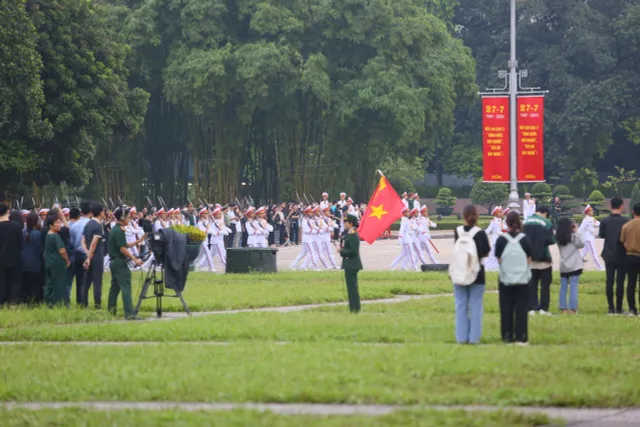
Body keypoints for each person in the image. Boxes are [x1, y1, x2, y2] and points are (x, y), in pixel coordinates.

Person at [451, 205, 491, 344]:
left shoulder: (458, 231)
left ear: (463, 216)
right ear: (476, 216)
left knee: (460, 305)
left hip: (459, 272)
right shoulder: (480, 233)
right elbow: (486, 251)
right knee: (475, 306)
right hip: (477, 273)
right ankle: (474, 338)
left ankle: (461, 337)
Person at [494, 211, 532, 345]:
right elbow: (529, 259)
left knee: (506, 307)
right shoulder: (525, 239)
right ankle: (521, 336)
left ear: (507, 223)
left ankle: (507, 335)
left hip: (505, 278)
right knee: (521, 308)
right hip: (522, 278)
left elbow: (499, 260)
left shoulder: (501, 240)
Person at [107, 206, 144, 319]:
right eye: (128, 217)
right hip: (119, 262)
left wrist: (138, 241)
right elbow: (123, 249)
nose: (129, 219)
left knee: (115, 288)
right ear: (122, 217)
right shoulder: (119, 230)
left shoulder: (116, 229)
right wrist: (135, 260)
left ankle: (111, 311)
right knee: (126, 287)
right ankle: (129, 313)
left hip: (114, 262)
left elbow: (124, 244)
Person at [523, 205, 555, 316]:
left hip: (529, 259)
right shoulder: (546, 223)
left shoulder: (525, 222)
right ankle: (543, 309)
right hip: (543, 258)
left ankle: (531, 308)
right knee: (545, 285)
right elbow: (551, 240)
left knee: (531, 284)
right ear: (545, 213)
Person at [599, 197, 629, 314]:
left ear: (610, 206)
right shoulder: (626, 221)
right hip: (622, 254)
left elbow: (601, 235)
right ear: (621, 206)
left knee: (609, 281)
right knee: (620, 282)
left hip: (608, 253)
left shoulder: (604, 221)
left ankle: (610, 308)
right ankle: (619, 307)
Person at [556, 217, 584, 314]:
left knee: (563, 287)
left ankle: (563, 308)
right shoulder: (573, 237)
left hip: (564, 265)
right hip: (575, 265)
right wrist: (576, 231)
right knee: (573, 286)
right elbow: (581, 244)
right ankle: (573, 308)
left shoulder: (558, 238)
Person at [81, 204, 105, 309]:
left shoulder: (88, 224)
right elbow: (94, 244)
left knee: (86, 283)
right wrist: (89, 257)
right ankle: (97, 306)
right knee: (97, 282)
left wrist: (87, 253)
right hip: (96, 257)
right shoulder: (97, 226)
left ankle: (83, 304)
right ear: (100, 212)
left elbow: (83, 241)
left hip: (89, 256)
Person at [43, 215, 71, 307]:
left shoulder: (48, 234)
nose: (60, 225)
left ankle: (49, 302)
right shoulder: (55, 236)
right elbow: (62, 251)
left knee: (50, 283)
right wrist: (67, 260)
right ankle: (60, 302)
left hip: (49, 262)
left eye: (60, 222)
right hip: (57, 263)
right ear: (51, 225)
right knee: (59, 283)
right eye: (57, 223)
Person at [0, 203, 24, 305]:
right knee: (15, 282)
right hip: (14, 258)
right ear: (8, 211)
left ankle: (2, 302)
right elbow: (21, 243)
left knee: (2, 282)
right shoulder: (16, 226)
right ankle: (13, 301)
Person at [340, 214, 362, 313]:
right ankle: (353, 308)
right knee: (350, 288)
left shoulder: (353, 234)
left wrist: (341, 251)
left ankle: (355, 308)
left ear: (351, 223)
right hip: (349, 264)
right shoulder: (349, 233)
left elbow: (353, 251)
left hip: (352, 264)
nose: (344, 224)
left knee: (352, 288)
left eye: (346, 222)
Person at [620, 203, 640, 316]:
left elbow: (622, 240)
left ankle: (632, 309)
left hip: (631, 256)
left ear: (633, 212)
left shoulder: (626, 226)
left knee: (631, 284)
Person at [21, 212, 45, 304]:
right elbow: (41, 250)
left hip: (24, 264)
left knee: (26, 286)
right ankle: (36, 302)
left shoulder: (22, 233)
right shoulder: (37, 234)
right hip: (36, 265)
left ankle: (26, 301)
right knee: (36, 287)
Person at [578, 205, 603, 270]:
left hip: (590, 238)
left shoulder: (592, 218)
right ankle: (600, 268)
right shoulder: (585, 220)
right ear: (587, 212)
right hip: (588, 239)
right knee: (594, 254)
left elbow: (598, 223)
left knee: (583, 253)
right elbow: (580, 229)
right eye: (591, 210)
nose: (592, 211)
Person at [484, 206, 503, 271]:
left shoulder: (500, 220)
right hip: (495, 240)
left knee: (499, 254)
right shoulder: (494, 221)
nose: (501, 213)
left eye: (501, 212)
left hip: (500, 239)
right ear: (496, 213)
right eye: (499, 212)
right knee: (492, 254)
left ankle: (496, 266)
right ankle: (487, 266)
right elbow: (488, 231)